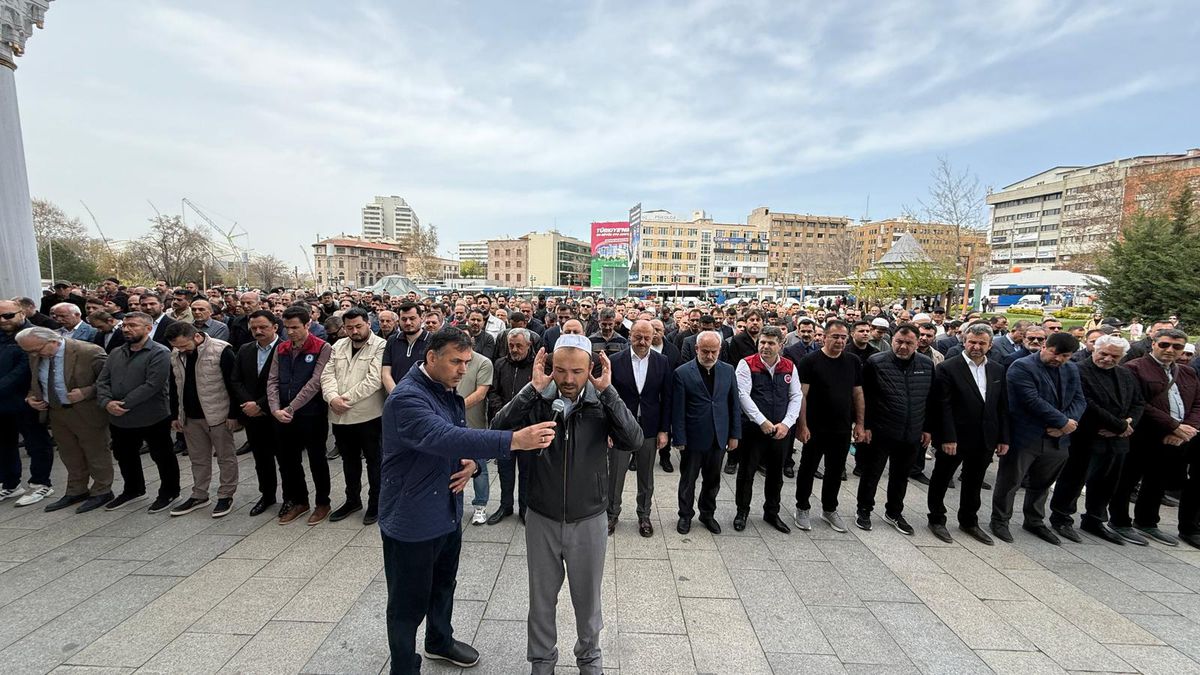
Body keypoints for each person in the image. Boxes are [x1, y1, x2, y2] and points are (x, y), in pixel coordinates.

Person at [379, 327, 556, 674]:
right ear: (431, 357)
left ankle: (439, 640)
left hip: (446, 509)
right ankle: (403, 666)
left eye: (467, 361)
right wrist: (513, 440)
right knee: (407, 602)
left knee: (444, 585)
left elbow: (458, 442)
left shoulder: (445, 390)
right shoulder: (407, 398)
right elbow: (442, 436)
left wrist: (473, 463)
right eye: (455, 362)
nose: (463, 370)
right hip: (412, 517)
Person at [491, 336, 641, 674]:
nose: (568, 379)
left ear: (591, 369)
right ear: (550, 368)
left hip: (589, 518)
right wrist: (531, 389)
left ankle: (589, 658)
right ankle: (542, 661)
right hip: (541, 516)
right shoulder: (539, 400)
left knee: (588, 600)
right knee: (541, 600)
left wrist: (608, 393)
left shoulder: (601, 403)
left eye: (577, 371)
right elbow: (498, 428)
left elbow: (633, 439)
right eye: (560, 370)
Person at [990, 332, 1087, 545]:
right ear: (1044, 346)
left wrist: (1066, 426)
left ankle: (1034, 520)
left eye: (1065, 356)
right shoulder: (1022, 367)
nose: (1058, 359)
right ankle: (1000, 520)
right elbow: (1031, 401)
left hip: (1058, 439)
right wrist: (1063, 422)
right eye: (1054, 353)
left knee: (1043, 483)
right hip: (1026, 435)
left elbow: (1079, 400)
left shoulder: (1071, 369)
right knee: (1010, 481)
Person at [1048, 335, 1144, 545]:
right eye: (1104, 354)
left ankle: (1095, 519)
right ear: (1094, 350)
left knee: (1107, 483)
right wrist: (1120, 426)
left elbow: (1138, 402)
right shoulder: (1078, 370)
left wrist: (1127, 425)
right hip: (1088, 437)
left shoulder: (1125, 374)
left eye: (1114, 356)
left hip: (1117, 440)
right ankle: (1062, 517)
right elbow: (1087, 404)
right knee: (1074, 480)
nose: (1108, 359)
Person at [1112, 328, 1200, 548]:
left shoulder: (1187, 372)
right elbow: (1140, 403)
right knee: (1127, 480)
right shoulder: (1134, 368)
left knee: (1157, 481)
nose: (1170, 350)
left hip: (1176, 438)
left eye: (1177, 347)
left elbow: (1198, 403)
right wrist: (1174, 426)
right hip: (1144, 436)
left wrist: (1188, 429)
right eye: (1164, 345)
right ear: (1153, 343)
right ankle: (1119, 521)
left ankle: (1147, 521)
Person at [926, 324, 1009, 545]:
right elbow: (942, 405)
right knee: (942, 478)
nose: (976, 347)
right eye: (972, 342)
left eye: (982, 343)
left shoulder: (997, 369)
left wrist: (1003, 438)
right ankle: (936, 518)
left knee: (974, 480)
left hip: (985, 437)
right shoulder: (948, 367)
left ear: (990, 345)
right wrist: (947, 437)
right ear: (964, 341)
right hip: (954, 437)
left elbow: (1002, 406)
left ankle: (969, 520)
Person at [96, 311, 181, 513]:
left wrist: (123, 404)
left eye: (133, 325)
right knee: (125, 455)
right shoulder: (116, 352)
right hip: (119, 419)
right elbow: (102, 380)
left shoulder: (159, 352)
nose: (127, 329)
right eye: (124, 326)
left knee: (162, 456)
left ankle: (169, 491)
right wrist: (107, 403)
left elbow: (153, 385)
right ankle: (133, 489)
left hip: (152, 416)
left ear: (148, 328)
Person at [17, 328, 110, 511]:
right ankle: (77, 490)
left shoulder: (89, 351)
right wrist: (31, 397)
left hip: (86, 411)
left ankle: (102, 490)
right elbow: (37, 380)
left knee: (96, 453)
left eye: (36, 350)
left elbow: (108, 379)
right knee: (69, 454)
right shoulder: (36, 354)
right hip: (56, 411)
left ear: (53, 341)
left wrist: (86, 392)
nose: (34, 354)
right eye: (29, 352)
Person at [856, 324, 935, 535]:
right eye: (899, 341)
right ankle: (864, 509)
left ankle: (894, 512)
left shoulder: (927, 365)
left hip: (912, 432)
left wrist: (927, 428)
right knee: (871, 474)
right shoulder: (876, 362)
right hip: (881, 431)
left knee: (901, 476)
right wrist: (865, 425)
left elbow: (930, 399)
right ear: (892, 340)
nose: (903, 347)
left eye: (909, 343)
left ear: (917, 343)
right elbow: (864, 396)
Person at [793, 320, 864, 534]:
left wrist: (860, 423)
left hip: (841, 427)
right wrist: (802, 425)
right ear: (824, 337)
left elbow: (858, 393)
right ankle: (802, 507)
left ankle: (829, 508)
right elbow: (802, 395)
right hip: (815, 427)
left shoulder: (852, 361)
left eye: (843, 337)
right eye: (835, 337)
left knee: (835, 470)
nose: (840, 341)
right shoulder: (810, 361)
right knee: (808, 468)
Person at [163, 322, 240, 518]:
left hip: (218, 414)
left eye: (184, 345)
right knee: (198, 459)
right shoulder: (176, 354)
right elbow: (174, 385)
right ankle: (199, 494)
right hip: (190, 416)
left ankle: (225, 495)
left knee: (225, 457)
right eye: (176, 346)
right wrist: (175, 414)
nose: (181, 350)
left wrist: (234, 414)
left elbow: (233, 384)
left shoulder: (221, 350)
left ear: (196, 337)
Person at [320, 307, 387, 525]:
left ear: (368, 323)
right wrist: (332, 398)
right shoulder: (338, 345)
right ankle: (352, 500)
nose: (354, 331)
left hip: (368, 416)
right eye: (349, 328)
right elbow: (327, 375)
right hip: (340, 416)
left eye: (358, 326)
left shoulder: (381, 345)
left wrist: (344, 400)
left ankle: (376, 502)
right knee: (349, 461)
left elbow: (374, 380)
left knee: (374, 461)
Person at [268, 305, 333, 526]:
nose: (290, 332)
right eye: (286, 327)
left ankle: (322, 502)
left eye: (295, 327)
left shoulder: (322, 347)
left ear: (307, 325)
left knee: (317, 459)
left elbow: (315, 382)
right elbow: (273, 380)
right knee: (289, 461)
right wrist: (275, 408)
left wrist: (291, 408)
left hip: (311, 413)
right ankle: (300, 501)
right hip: (282, 414)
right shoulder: (282, 348)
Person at [607, 320, 673, 537]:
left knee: (646, 475)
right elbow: (607, 397)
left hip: (650, 427)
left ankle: (644, 515)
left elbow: (667, 398)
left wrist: (664, 430)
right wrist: (608, 429)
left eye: (647, 337)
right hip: (620, 427)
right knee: (616, 474)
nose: (643, 342)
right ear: (630, 336)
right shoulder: (615, 361)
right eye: (638, 337)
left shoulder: (662, 362)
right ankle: (611, 514)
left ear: (654, 337)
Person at [733, 325, 801, 533]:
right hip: (753, 429)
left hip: (780, 430)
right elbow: (742, 395)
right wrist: (761, 421)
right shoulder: (746, 364)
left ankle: (771, 512)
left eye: (771, 343)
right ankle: (742, 511)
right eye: (762, 342)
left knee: (775, 474)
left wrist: (787, 423)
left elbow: (796, 396)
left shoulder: (789, 366)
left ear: (780, 345)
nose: (765, 346)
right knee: (746, 473)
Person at [672, 331, 741, 535]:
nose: (709, 356)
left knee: (713, 480)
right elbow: (678, 410)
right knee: (688, 480)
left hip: (719, 436)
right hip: (693, 438)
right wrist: (679, 438)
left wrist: (734, 435)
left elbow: (734, 404)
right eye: (705, 351)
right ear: (696, 349)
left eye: (713, 351)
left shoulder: (728, 370)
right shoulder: (682, 372)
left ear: (720, 350)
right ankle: (685, 515)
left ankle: (707, 514)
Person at [230, 309, 283, 517]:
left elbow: (285, 383)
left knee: (285, 460)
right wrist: (248, 404)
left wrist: (260, 405)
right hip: (251, 415)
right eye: (254, 328)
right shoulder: (245, 349)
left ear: (275, 327)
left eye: (263, 327)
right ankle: (267, 495)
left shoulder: (285, 349)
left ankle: (291, 498)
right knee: (261, 459)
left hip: (276, 414)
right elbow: (235, 380)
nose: (258, 331)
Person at [486, 328, 536, 525]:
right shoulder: (500, 364)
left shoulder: (536, 365)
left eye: (519, 346)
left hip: (527, 427)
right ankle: (505, 505)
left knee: (527, 472)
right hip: (504, 427)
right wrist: (503, 413)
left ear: (529, 345)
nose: (514, 350)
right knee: (505, 470)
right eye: (511, 345)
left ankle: (525, 508)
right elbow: (493, 391)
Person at [458, 343, 493, 525]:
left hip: (474, 423)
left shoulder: (483, 362)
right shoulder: (447, 359)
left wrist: (454, 407)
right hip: (450, 422)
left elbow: (480, 393)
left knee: (480, 466)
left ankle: (480, 505)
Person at [382, 302, 429, 394]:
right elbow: (386, 373)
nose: (408, 322)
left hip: (423, 397)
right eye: (404, 319)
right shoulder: (392, 340)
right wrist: (397, 395)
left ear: (421, 318)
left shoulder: (432, 341)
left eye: (412, 318)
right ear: (398, 320)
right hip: (395, 395)